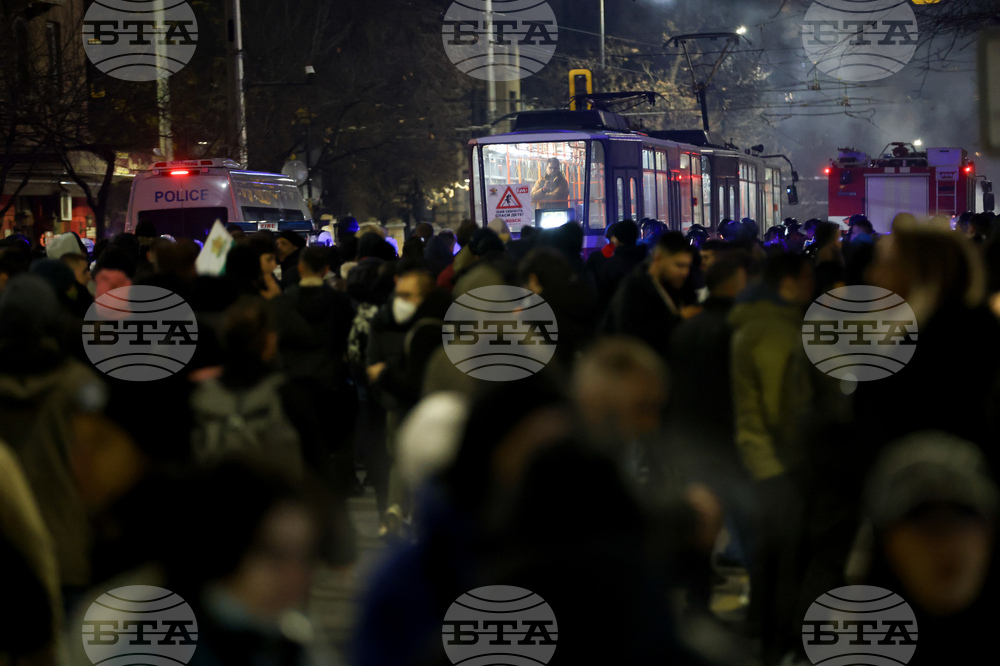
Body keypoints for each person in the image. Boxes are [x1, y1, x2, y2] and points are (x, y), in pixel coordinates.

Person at [728, 252, 816, 665]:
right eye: (807, 277)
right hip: (775, 461)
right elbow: (782, 404)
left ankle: (762, 633)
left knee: (769, 555)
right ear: (789, 282)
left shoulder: (756, 322)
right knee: (782, 557)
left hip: (760, 457)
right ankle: (775, 640)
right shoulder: (773, 330)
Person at [604, 231, 697, 359]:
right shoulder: (634, 290)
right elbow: (632, 338)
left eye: (687, 266)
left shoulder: (681, 284)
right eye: (679, 265)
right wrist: (679, 319)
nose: (684, 272)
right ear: (658, 259)